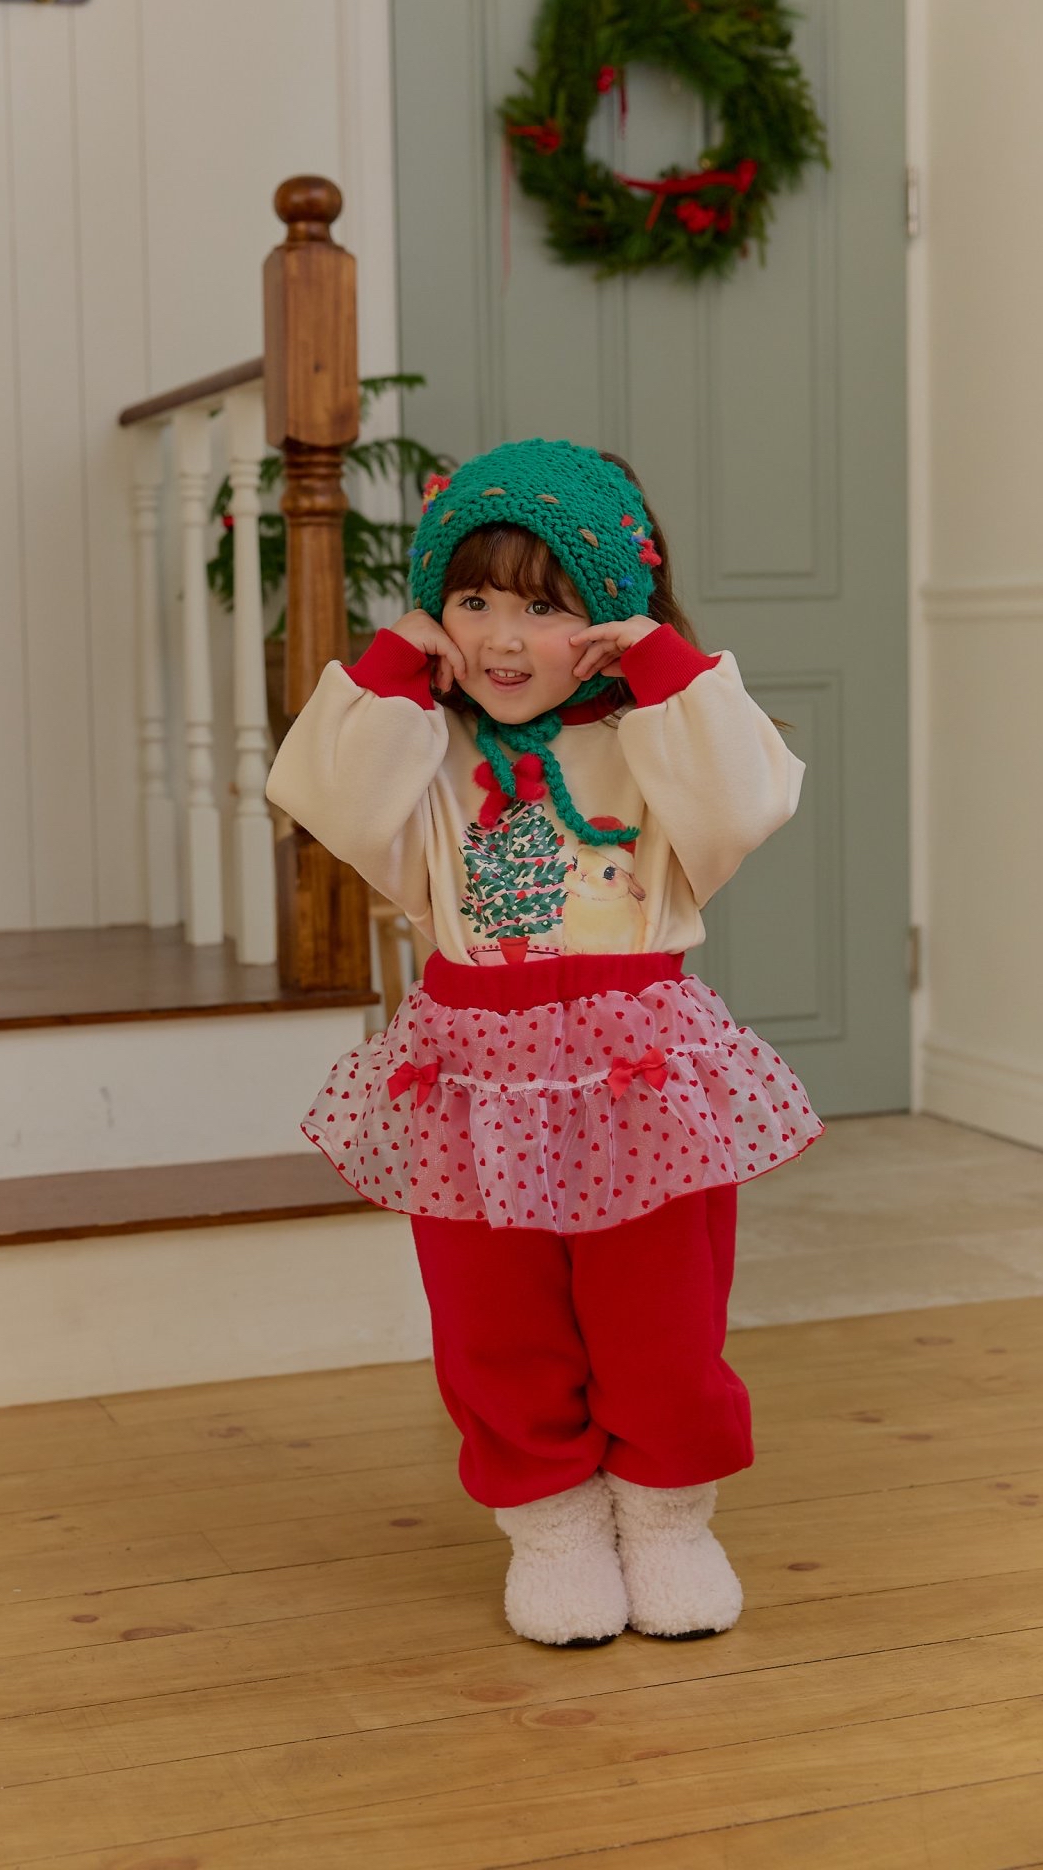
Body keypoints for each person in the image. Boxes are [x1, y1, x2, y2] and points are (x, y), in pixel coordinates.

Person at [266, 437, 825, 1648]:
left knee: (658, 1320)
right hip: (473, 1075)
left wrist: (660, 669)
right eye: (471, 603)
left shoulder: (656, 739)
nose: (504, 641)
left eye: (544, 607)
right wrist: (394, 665)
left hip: (637, 1072)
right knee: (493, 1322)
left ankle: (666, 1523)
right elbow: (322, 794)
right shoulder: (423, 749)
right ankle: (555, 1531)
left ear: (609, 618)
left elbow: (746, 798)